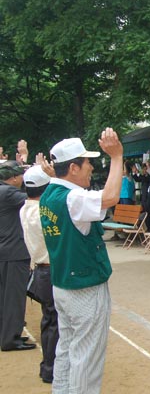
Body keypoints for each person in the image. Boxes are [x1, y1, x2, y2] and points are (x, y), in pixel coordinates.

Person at [40, 129, 123, 393]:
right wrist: (117, 156)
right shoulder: (73, 198)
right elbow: (110, 197)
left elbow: (65, 185)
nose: (90, 167)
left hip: (63, 285)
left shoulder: (49, 195)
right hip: (85, 289)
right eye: (86, 162)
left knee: (67, 349)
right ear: (73, 168)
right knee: (87, 358)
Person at [20, 163, 57, 382]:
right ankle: (51, 369)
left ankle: (49, 366)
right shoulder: (41, 212)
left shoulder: (25, 208)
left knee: (49, 321)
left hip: (41, 271)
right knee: (54, 323)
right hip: (49, 270)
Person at [0, 160, 36, 352]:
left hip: (4, 251)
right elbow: (35, 197)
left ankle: (4, 333)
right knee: (14, 296)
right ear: (13, 178)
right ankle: (11, 338)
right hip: (13, 251)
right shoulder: (8, 193)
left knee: (3, 296)